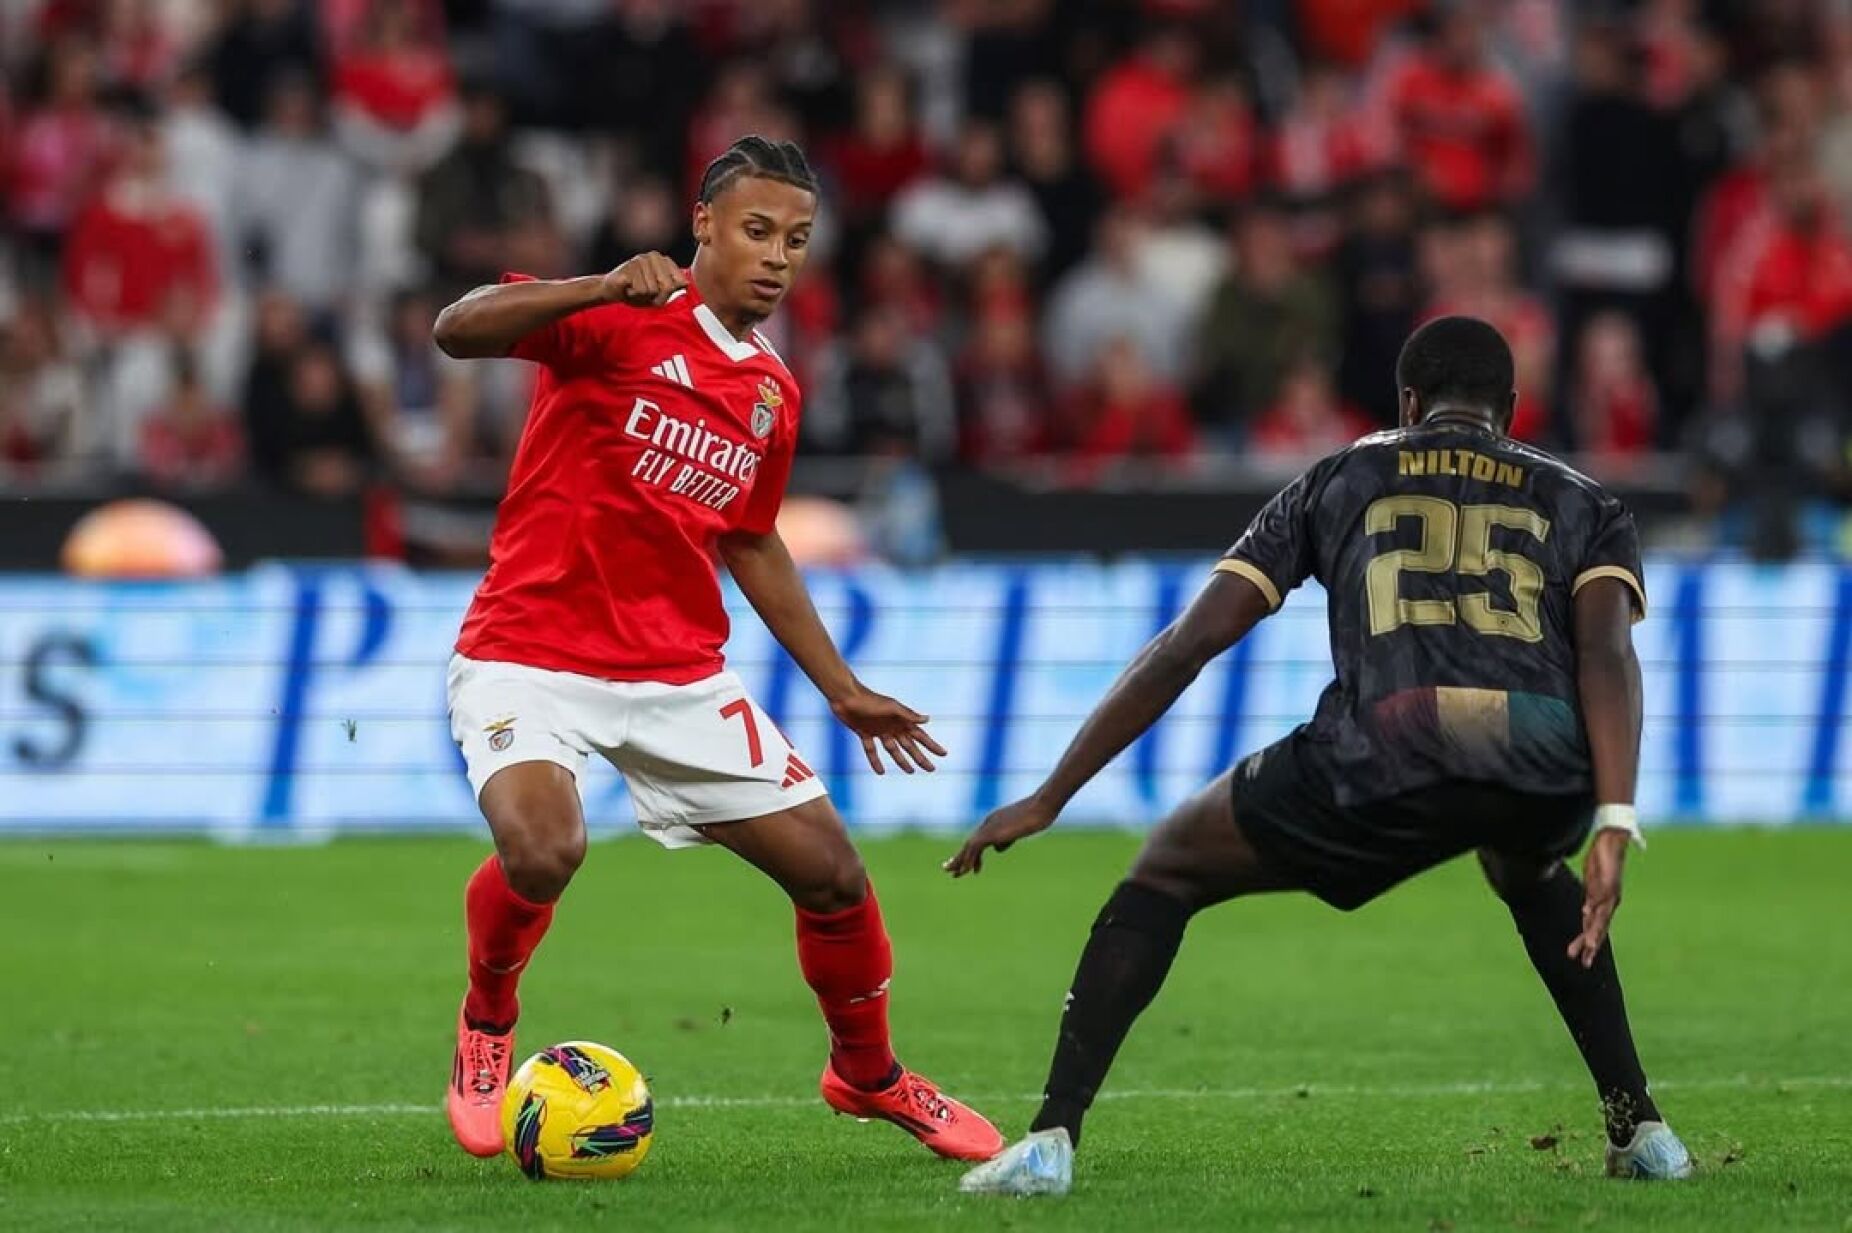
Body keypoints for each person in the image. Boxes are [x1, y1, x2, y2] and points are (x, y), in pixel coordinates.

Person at [951, 316, 1693, 1195]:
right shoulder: (1583, 497)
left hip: (1382, 750)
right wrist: (1613, 812)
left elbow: (1189, 643)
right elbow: (1607, 656)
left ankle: (1049, 1141)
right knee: (1526, 866)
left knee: (1164, 868)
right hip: (1543, 764)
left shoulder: (1343, 474)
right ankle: (1639, 1126)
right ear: (1512, 409)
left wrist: (1050, 795)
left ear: (1408, 402)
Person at [429, 135, 1003, 1164]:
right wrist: (593, 283)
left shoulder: (772, 390)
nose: (778, 257)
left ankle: (866, 1075)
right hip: (531, 649)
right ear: (701, 227)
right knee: (544, 847)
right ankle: (485, 1024)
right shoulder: (614, 314)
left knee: (832, 874)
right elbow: (456, 329)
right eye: (756, 231)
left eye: (797, 240)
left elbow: (749, 536)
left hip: (676, 674)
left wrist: (841, 688)